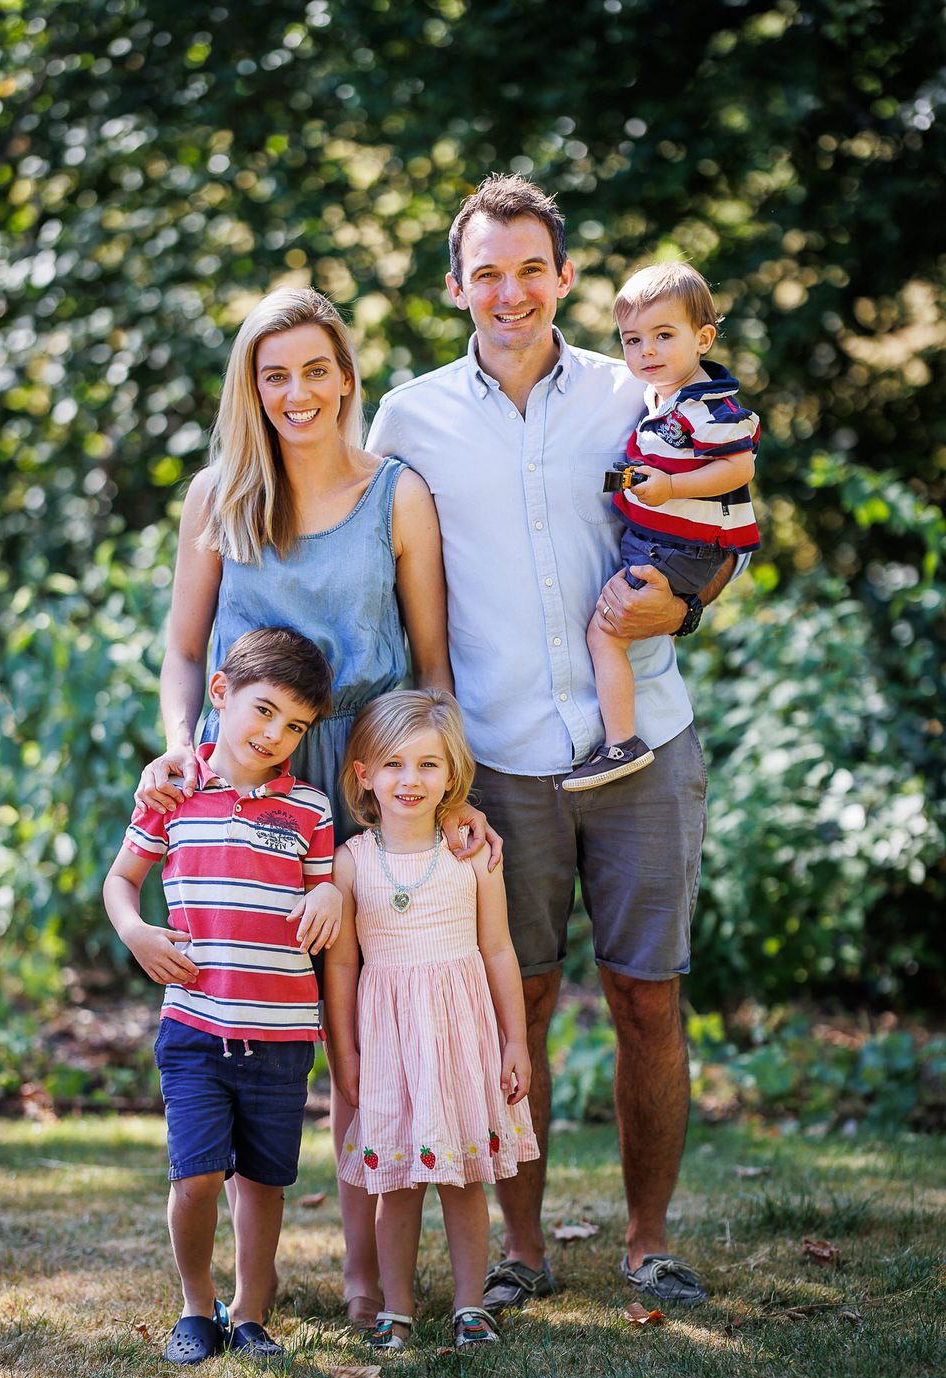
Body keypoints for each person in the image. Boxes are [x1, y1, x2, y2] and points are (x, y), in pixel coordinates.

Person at [367, 175, 749, 1308]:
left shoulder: (638, 390)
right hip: (494, 761)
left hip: (643, 740)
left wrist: (686, 604)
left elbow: (717, 529)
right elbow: (377, 571)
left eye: (531, 267)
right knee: (513, 1003)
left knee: (647, 997)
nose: (511, 291)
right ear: (455, 286)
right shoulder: (408, 419)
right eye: (487, 271)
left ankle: (646, 1242)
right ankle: (522, 1252)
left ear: (565, 277)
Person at [134, 286, 497, 1331]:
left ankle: (368, 1279)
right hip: (252, 788)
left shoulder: (397, 496)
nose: (296, 392)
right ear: (251, 388)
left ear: (345, 379)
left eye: (314, 371)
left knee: (369, 1029)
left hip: (377, 787)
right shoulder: (219, 497)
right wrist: (181, 743)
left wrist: (450, 793)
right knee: (273, 1019)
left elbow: (430, 664)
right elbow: (184, 651)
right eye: (273, 375)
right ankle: (286, 1279)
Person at [103, 626, 341, 1365]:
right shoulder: (173, 794)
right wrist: (137, 933)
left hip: (282, 1034)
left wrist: (330, 892)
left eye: (295, 726)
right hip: (196, 1026)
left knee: (265, 1182)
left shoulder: (311, 809)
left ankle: (251, 1312)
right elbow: (120, 881)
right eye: (263, 710)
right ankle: (196, 1305)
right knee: (198, 1176)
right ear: (220, 694)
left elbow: (322, 887)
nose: (275, 734)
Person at [324, 690, 538, 1351]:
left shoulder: (471, 856)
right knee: (397, 1181)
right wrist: (344, 1054)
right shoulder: (352, 863)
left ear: (452, 775)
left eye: (427, 764)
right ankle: (397, 1309)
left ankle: (470, 1306)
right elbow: (341, 966)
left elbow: (498, 949)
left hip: (459, 1037)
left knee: (464, 1176)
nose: (409, 779)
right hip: (389, 1040)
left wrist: (515, 1040)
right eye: (393, 764)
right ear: (364, 774)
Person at [562, 261, 760, 792]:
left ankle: (622, 743)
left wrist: (671, 487)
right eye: (632, 340)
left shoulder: (706, 406)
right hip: (660, 539)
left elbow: (740, 468)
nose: (646, 351)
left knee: (604, 632)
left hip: (682, 546)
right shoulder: (659, 396)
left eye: (664, 336)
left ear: (703, 339)